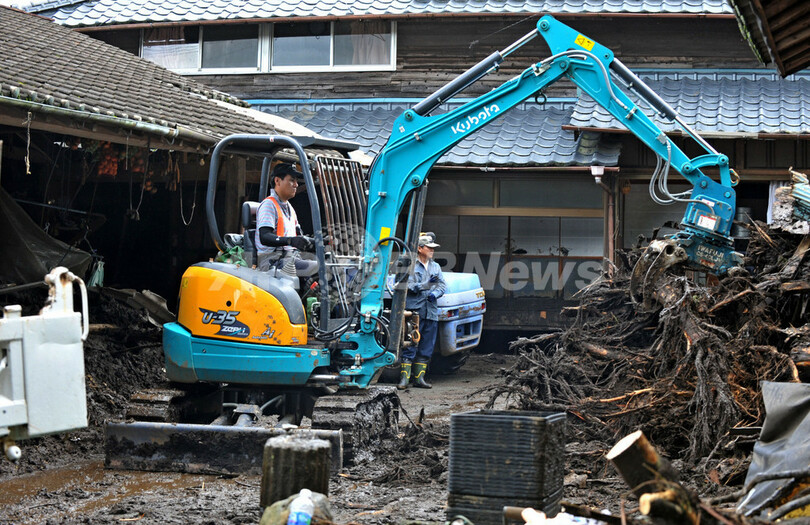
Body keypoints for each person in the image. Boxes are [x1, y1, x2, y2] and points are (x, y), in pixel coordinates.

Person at [399, 233, 447, 389]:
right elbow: (410, 286)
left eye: (433, 248)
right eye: (429, 248)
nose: (432, 250)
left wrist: (435, 293)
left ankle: (419, 379)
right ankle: (404, 379)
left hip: (431, 312)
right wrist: (426, 285)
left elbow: (442, 286)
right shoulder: (410, 265)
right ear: (420, 249)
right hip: (415, 313)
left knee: (426, 346)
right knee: (410, 344)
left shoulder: (436, 266)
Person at [255, 163, 318, 276]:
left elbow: (299, 237)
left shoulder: (290, 209)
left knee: (327, 262)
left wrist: (320, 241)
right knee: (320, 267)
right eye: (291, 180)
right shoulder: (268, 205)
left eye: (296, 181)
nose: (296, 184)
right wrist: (290, 241)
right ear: (278, 181)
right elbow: (264, 236)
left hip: (290, 257)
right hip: (273, 261)